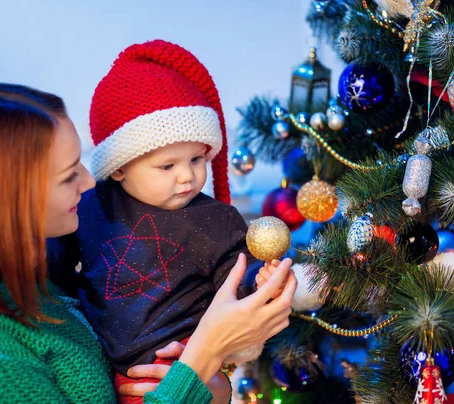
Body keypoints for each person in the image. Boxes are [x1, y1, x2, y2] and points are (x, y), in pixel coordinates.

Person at [0, 82, 297, 404]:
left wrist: (209, 383)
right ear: (6, 201)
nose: (88, 182)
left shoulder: (33, 283)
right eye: (69, 176)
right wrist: (205, 354)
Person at [69, 39, 291, 401]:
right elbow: (49, 263)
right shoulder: (91, 208)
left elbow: (236, 278)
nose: (187, 176)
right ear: (121, 166)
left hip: (184, 361)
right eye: (168, 166)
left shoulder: (216, 219)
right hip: (102, 367)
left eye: (196, 160)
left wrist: (258, 279)